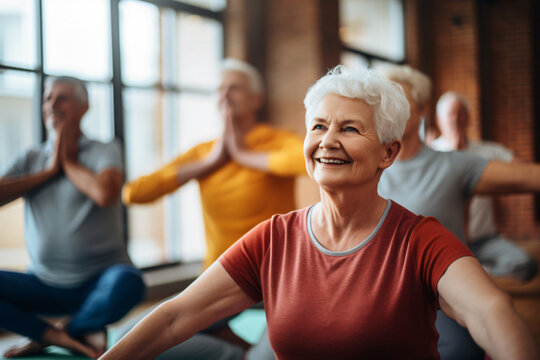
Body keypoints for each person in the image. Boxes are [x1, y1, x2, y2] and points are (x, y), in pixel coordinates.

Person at [99, 66, 538, 360]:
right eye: (318, 126)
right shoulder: (273, 238)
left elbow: (490, 312)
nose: (328, 140)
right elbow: (176, 316)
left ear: (388, 152)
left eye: (349, 128)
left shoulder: (419, 238)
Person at [121, 59, 306, 359]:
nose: (225, 95)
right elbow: (134, 193)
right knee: (129, 338)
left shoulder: (275, 140)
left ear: (257, 99)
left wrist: (243, 154)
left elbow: (306, 162)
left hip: (277, 277)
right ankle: (236, 350)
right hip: (222, 279)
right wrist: (209, 164)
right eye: (219, 89)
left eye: (234, 87)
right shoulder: (204, 153)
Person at [375, 63, 540, 360]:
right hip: (376, 291)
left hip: (436, 293)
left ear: (423, 109)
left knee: (461, 350)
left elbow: (530, 175)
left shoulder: (453, 164)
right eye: (382, 99)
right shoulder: (366, 166)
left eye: (399, 98)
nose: (389, 107)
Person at [0, 76, 146, 358]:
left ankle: (51, 335)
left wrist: (67, 163)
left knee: (131, 283)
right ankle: (62, 334)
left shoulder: (105, 149)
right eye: (47, 98)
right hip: (44, 283)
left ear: (84, 106)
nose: (53, 104)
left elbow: (105, 194)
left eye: (62, 97)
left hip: (101, 280)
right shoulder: (30, 159)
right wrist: (48, 171)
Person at [431, 91, 538, 282]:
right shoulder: (431, 154)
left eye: (461, 113)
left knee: (526, 265)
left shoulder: (488, 150)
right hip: (445, 244)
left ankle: (480, 274)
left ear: (469, 118)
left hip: (485, 240)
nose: (457, 119)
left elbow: (525, 170)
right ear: (439, 120)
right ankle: (475, 276)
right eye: (451, 114)